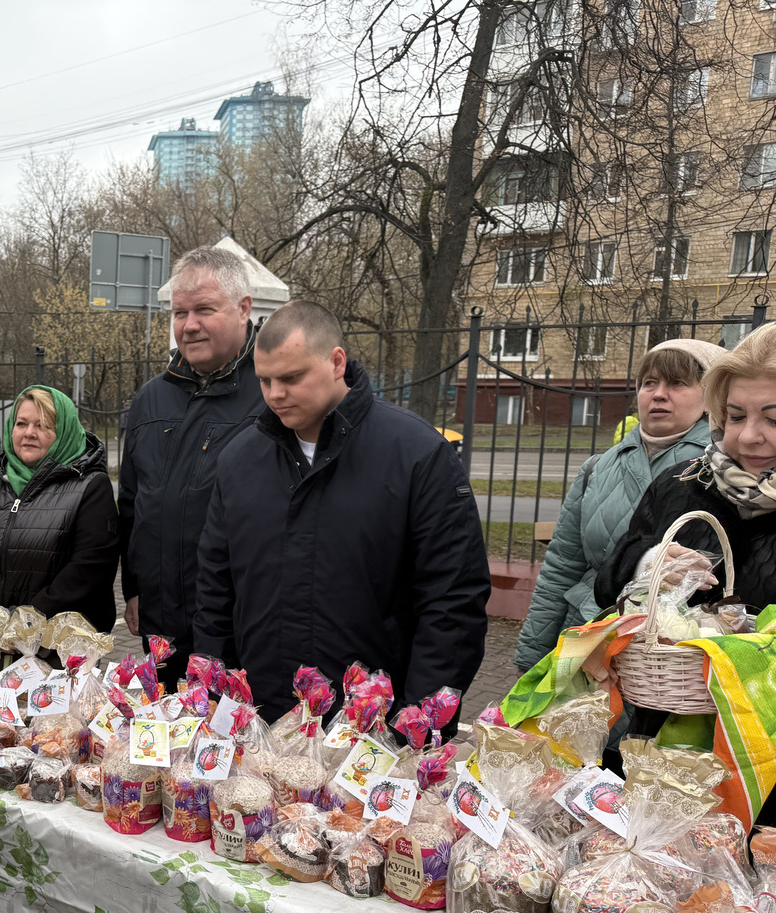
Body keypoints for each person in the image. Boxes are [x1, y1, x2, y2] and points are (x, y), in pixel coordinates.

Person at [194, 300, 491, 718]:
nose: (275, 394)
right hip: (260, 717)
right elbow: (215, 588)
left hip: (372, 731)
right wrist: (216, 694)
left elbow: (452, 601)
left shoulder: (417, 454)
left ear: (336, 362)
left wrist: (419, 722)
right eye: (265, 380)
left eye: (292, 377)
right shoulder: (239, 459)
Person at [515, 339, 721, 671]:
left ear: (710, 396)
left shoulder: (723, 470)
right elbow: (562, 566)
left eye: (677, 383)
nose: (658, 394)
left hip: (671, 658)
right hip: (585, 640)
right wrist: (533, 651)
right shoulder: (597, 469)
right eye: (649, 383)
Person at [118, 245, 266, 686]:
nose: (190, 325)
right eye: (180, 313)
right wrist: (134, 590)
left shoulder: (272, 396)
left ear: (244, 310)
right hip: (162, 621)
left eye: (204, 309)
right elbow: (132, 504)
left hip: (238, 626)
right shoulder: (151, 398)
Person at [598, 323, 776, 654]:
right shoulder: (682, 482)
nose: (749, 436)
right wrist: (647, 564)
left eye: (774, 419)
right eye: (736, 416)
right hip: (668, 700)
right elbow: (608, 583)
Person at [0, 385, 119, 631]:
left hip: (55, 648)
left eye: (43, 425)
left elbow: (89, 569)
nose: (29, 433)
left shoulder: (90, 485)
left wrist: (23, 625)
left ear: (64, 431)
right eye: (21, 424)